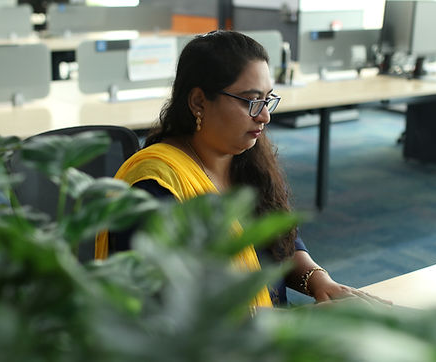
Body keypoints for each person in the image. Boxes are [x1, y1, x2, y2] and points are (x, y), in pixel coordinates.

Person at [95, 30, 387, 308]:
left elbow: (283, 240)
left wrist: (318, 280)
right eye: (250, 101)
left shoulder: (250, 160)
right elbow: (166, 312)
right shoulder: (155, 189)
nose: (264, 116)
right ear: (198, 102)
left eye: (268, 99)